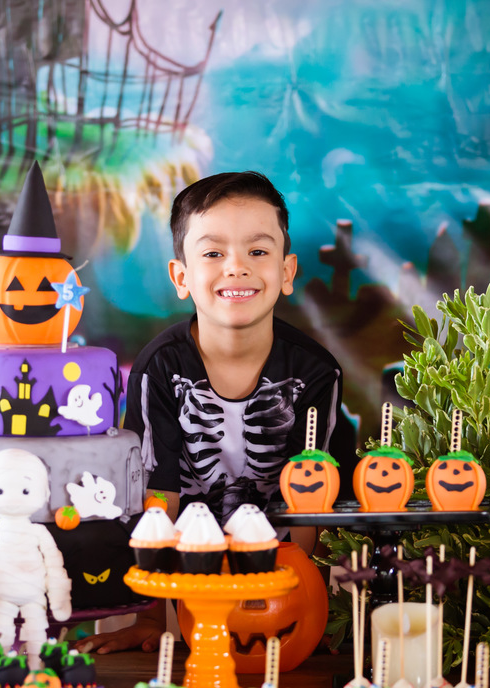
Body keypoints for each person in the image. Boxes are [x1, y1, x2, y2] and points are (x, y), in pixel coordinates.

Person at [76, 171, 357, 654]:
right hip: (180, 575)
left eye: (258, 251)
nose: (237, 267)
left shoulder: (315, 372)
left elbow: (311, 499)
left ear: (287, 271)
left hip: (285, 573)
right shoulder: (159, 368)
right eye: (212, 253)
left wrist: (303, 603)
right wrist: (151, 617)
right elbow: (157, 496)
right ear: (181, 277)